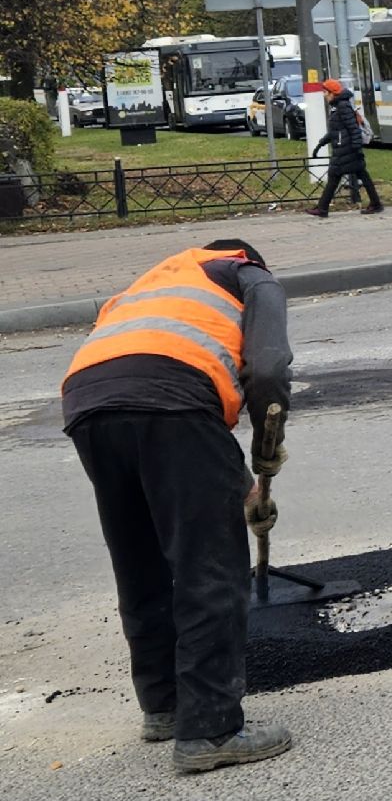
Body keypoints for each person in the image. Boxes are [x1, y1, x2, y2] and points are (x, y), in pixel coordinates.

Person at [61, 239, 296, 771]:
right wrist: (266, 448)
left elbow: (163, 388)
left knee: (139, 558)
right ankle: (210, 730)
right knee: (208, 565)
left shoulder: (151, 285)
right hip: (174, 405)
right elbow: (267, 371)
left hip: (88, 405)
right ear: (244, 257)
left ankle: (164, 705)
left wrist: (245, 490)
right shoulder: (250, 277)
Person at [304, 80, 381, 217]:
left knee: (335, 176)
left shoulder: (342, 107)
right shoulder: (339, 106)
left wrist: (356, 148)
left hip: (346, 149)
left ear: (333, 93)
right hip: (346, 148)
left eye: (325, 92)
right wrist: (321, 143)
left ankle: (322, 208)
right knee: (361, 175)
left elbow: (353, 129)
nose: (324, 95)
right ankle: (376, 204)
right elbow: (337, 130)